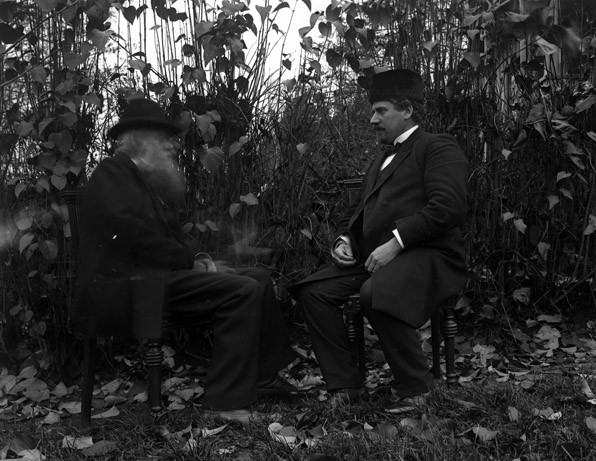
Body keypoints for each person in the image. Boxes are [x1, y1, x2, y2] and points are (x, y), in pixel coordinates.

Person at [72, 98, 298, 424]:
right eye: (164, 138)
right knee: (241, 290)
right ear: (140, 139)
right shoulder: (111, 173)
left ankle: (263, 378)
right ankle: (225, 402)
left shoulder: (146, 182)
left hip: (150, 282)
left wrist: (204, 260)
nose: (173, 145)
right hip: (118, 290)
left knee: (257, 278)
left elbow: (174, 238)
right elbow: (132, 234)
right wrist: (187, 261)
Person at [291, 69, 468, 411]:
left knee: (376, 291)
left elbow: (449, 207)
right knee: (313, 293)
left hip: (431, 256)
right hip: (378, 258)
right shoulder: (379, 161)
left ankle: (417, 388)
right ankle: (348, 386)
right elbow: (357, 213)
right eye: (372, 111)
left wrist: (397, 242)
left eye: (381, 111)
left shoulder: (436, 146)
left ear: (407, 110)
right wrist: (344, 239)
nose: (372, 119)